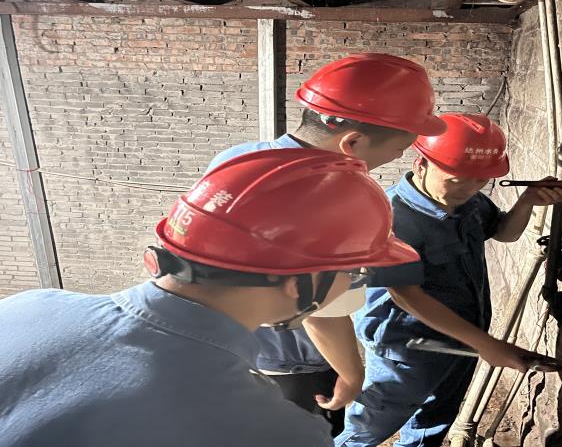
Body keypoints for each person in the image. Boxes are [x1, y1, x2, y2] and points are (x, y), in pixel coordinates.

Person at [0, 149, 420, 447]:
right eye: (354, 273)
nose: (352, 286)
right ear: (302, 282)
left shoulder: (29, 307)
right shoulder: (273, 431)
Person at [208, 52, 446, 434]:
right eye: (398, 148)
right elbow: (320, 307)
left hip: (235, 347)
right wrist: (351, 373)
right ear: (353, 142)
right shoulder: (333, 198)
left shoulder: (238, 157)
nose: (397, 157)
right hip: (295, 361)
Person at [336, 113, 562, 447]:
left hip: (462, 337)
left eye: (480, 180)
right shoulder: (390, 218)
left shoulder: (470, 202)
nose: (469, 189)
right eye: (458, 179)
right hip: (408, 348)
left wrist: (527, 201)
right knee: (370, 428)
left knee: (435, 420)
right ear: (421, 165)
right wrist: (487, 345)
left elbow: (503, 232)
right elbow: (406, 294)